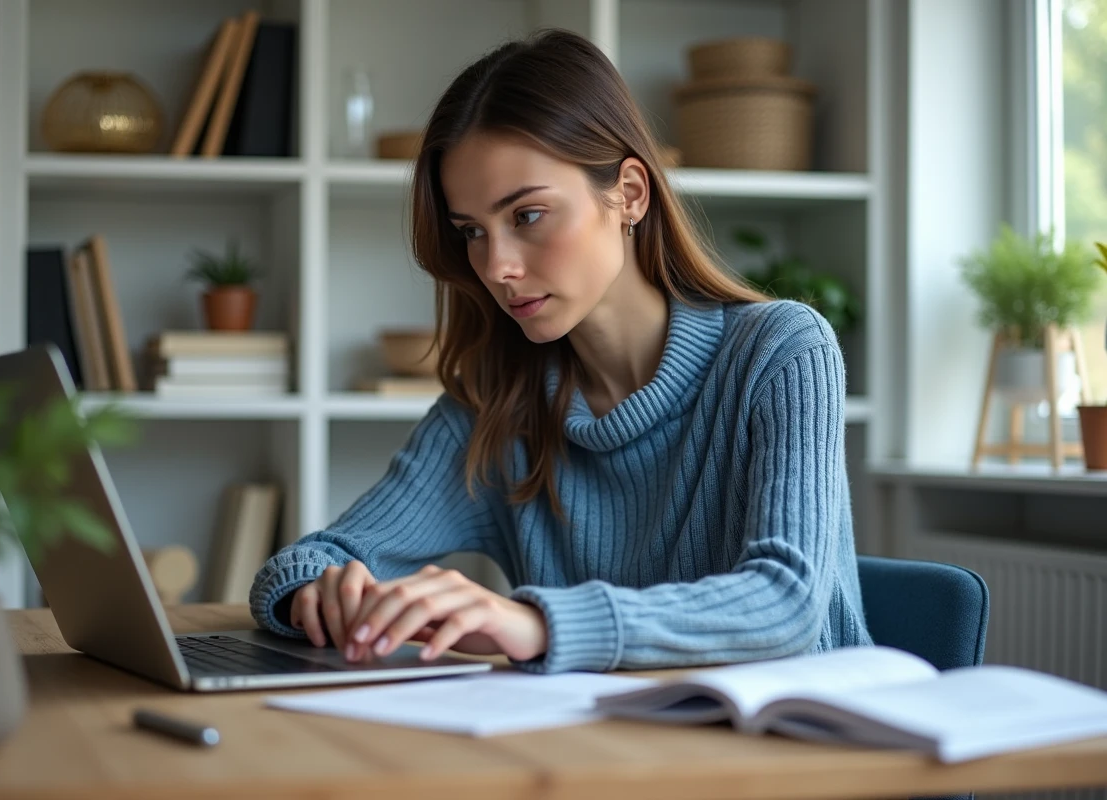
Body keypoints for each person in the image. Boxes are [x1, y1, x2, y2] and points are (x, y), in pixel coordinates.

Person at [249, 29, 874, 674]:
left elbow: (785, 604)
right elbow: (317, 557)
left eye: (526, 216)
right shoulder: (498, 400)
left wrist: (539, 623)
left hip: (801, 756)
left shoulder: (781, 351)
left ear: (629, 194)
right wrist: (321, 594)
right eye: (472, 232)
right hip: (610, 752)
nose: (497, 267)